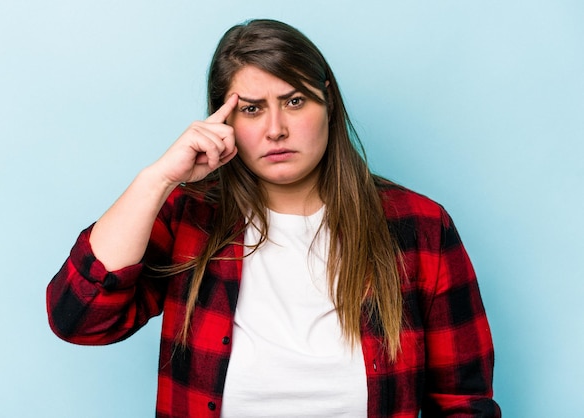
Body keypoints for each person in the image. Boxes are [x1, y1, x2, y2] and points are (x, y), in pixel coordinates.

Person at [47, 19, 500, 417]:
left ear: (329, 107)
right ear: (223, 121)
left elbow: (464, 402)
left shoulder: (419, 226)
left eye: (296, 101)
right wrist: (158, 179)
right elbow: (79, 319)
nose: (275, 128)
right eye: (251, 108)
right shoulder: (190, 216)